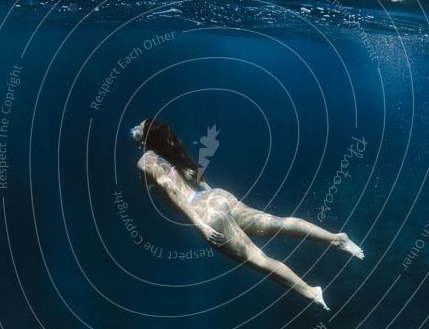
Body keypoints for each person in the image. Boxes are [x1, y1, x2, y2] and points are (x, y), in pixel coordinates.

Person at [130, 118, 364, 310]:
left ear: (145, 136)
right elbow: (199, 181)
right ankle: (336, 239)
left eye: (139, 127)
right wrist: (220, 200)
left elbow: (172, 190)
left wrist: (199, 223)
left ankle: (311, 292)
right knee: (279, 224)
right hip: (219, 197)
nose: (135, 128)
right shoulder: (173, 153)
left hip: (205, 212)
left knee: (259, 259)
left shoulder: (145, 160)